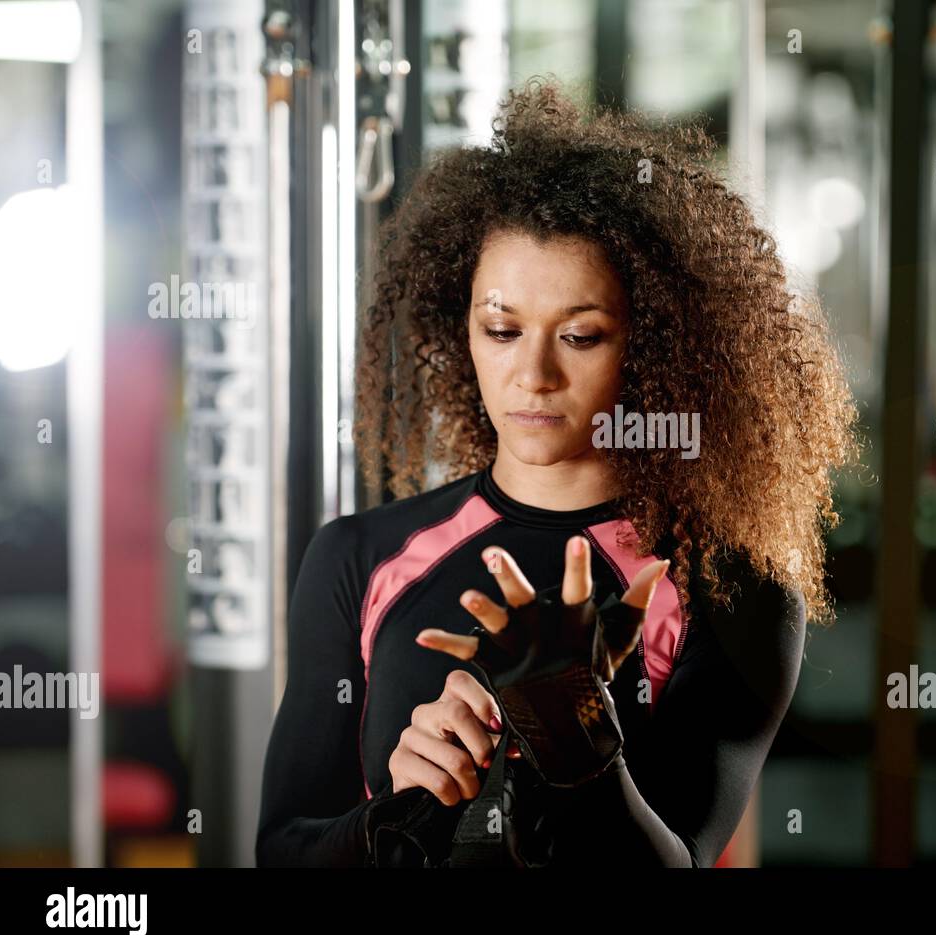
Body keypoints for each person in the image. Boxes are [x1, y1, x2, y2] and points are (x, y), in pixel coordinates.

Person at [255, 79, 859, 867]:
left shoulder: (733, 588)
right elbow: (281, 851)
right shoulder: (356, 558)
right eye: (501, 329)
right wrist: (401, 815)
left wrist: (571, 733)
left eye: (580, 336)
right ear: (460, 325)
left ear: (651, 345)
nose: (532, 373)